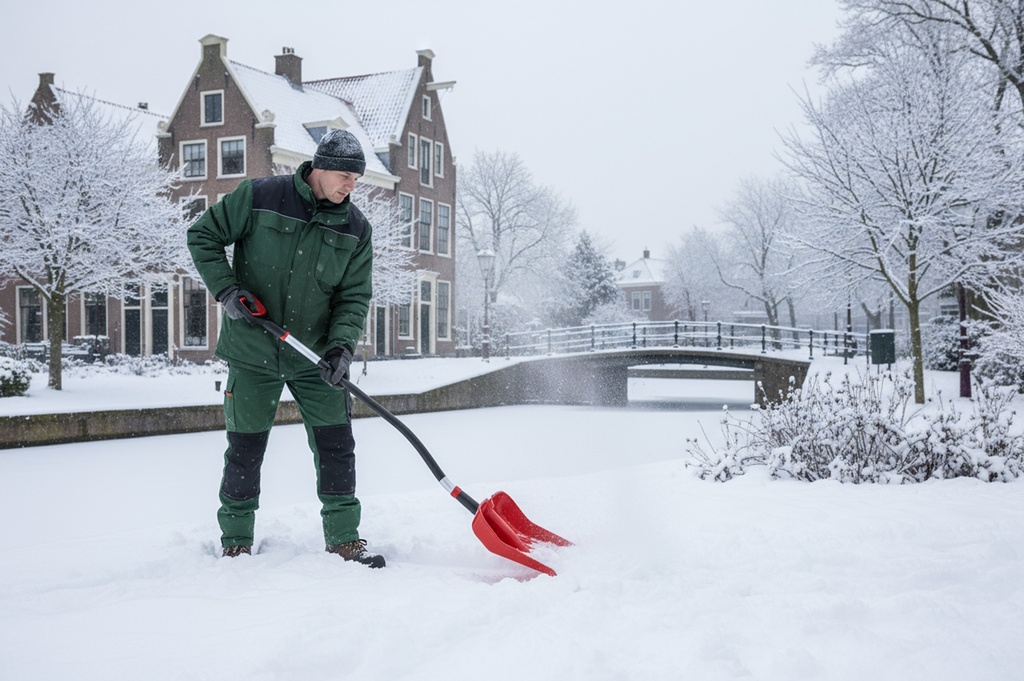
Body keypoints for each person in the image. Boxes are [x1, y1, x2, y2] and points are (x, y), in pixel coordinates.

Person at [187, 129, 384, 568]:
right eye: (345, 177)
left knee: (337, 445)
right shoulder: (259, 197)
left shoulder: (356, 229)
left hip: (316, 358)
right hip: (252, 350)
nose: (351, 187)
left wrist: (341, 350)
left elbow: (353, 298)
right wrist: (227, 291)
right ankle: (236, 539)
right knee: (245, 447)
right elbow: (202, 235)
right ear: (319, 167)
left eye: (357, 179)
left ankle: (344, 539)